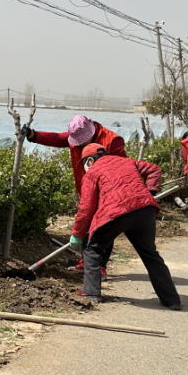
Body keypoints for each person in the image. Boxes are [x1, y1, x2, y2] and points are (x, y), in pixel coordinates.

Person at [70, 144, 181, 310]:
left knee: (92, 250)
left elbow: (86, 208)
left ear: (91, 160)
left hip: (116, 212)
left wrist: (77, 234)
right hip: (145, 210)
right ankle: (172, 299)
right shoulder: (127, 162)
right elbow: (154, 169)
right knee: (150, 254)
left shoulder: (92, 173)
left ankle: (92, 292)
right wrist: (150, 192)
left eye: (85, 163)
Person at [26, 114, 126, 278]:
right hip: (87, 188)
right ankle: (87, 262)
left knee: (103, 228)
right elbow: (58, 138)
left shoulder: (112, 141)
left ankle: (100, 266)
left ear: (91, 133)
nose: (78, 145)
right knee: (88, 227)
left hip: (106, 192)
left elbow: (124, 168)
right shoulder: (78, 135)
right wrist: (33, 135)